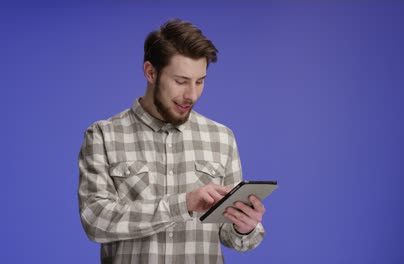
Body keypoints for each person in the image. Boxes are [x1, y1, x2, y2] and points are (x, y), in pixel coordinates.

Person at [78, 18, 266, 264]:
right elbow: (96, 221)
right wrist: (183, 204)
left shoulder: (221, 137)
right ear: (150, 72)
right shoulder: (103, 136)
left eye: (200, 81)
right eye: (181, 81)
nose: (192, 95)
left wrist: (245, 226)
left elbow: (231, 235)